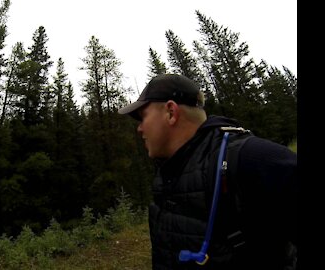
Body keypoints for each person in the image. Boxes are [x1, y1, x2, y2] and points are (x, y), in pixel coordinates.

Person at [118, 74, 299, 269]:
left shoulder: (249, 158)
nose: (139, 128)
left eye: (142, 117)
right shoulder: (166, 176)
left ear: (171, 112)